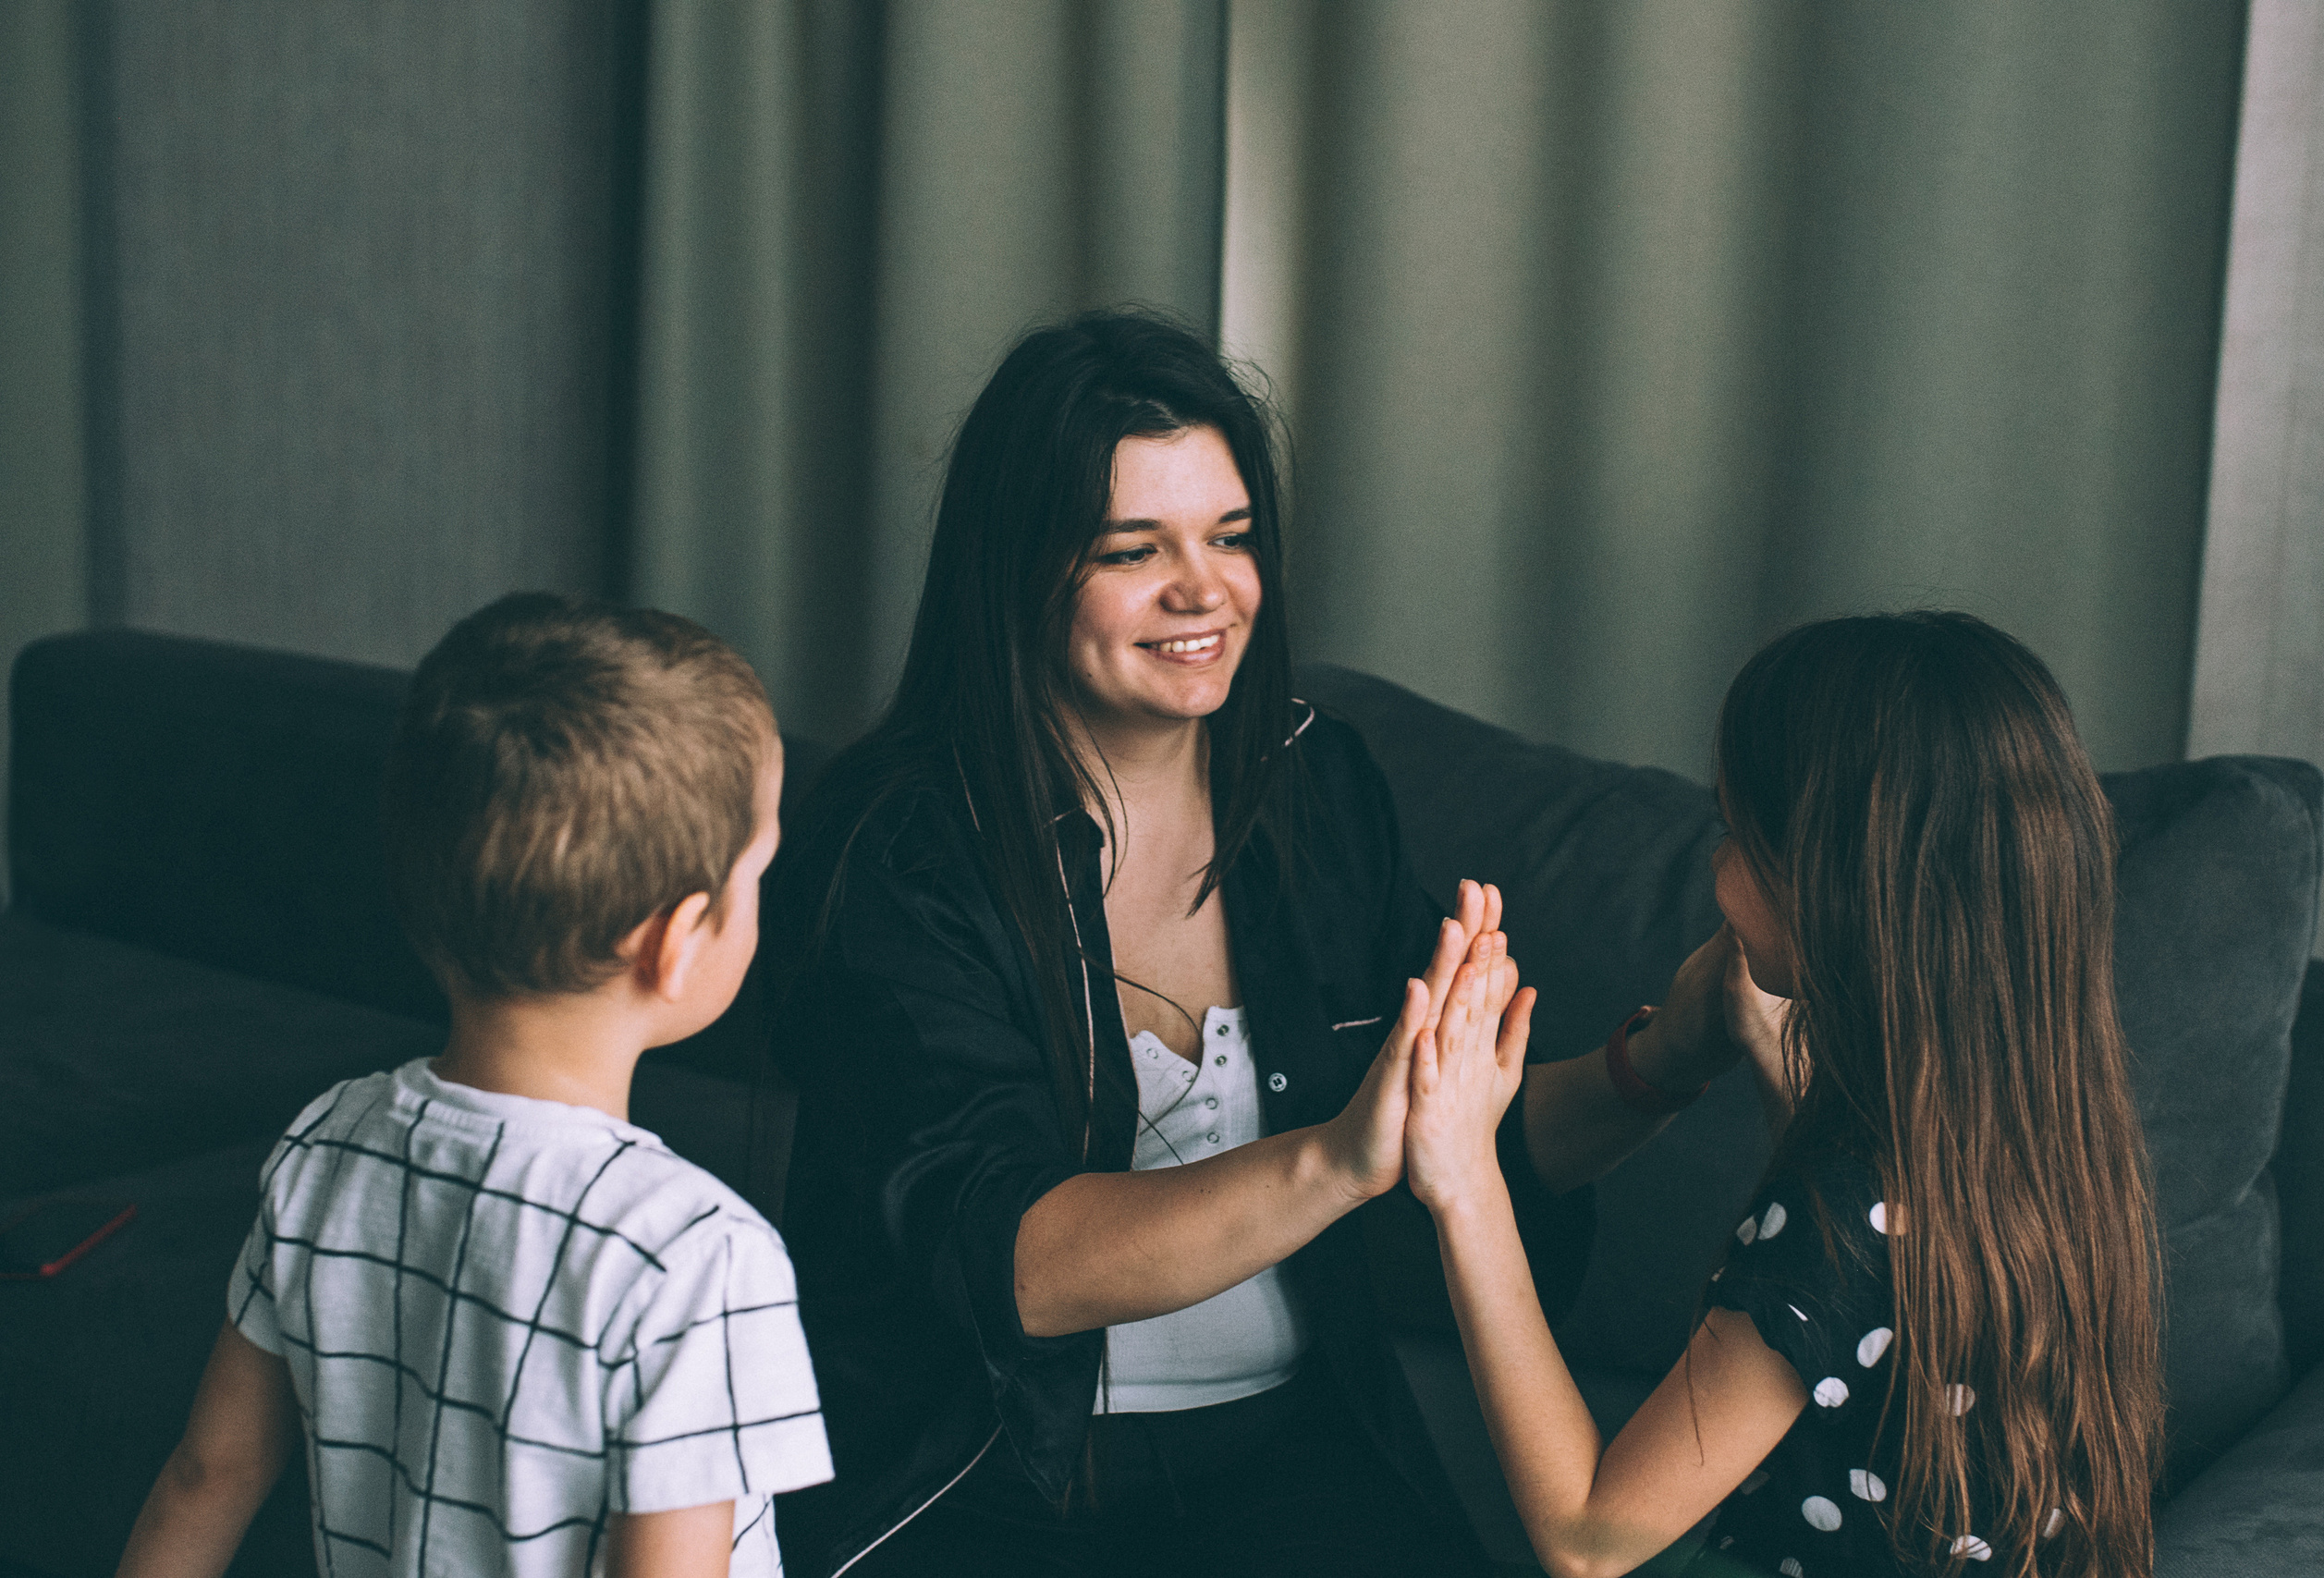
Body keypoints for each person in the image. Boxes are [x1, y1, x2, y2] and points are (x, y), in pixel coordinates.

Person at [764, 308, 1756, 1577]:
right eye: (1134, 549)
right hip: (983, 1478)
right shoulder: (895, 848)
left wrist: (1663, 1062)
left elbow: (1461, 1141)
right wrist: (1337, 1159)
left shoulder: (1315, 785)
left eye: (1230, 536)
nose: (1206, 590)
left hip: (1289, 1449)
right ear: (1015, 570)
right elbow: (1020, 1268)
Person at [1401, 611, 2165, 1578]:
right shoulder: (2050, 1145)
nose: (1715, 867)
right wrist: (1772, 1074)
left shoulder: (1841, 1212)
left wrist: (1465, 1177)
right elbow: (1866, 1357)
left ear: (1831, 886)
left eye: (1734, 834)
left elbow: (1588, 1536)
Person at [116, 594, 836, 1578]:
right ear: (674, 941)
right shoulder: (700, 1259)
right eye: (759, 870)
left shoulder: (327, 1147)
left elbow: (208, 1475)